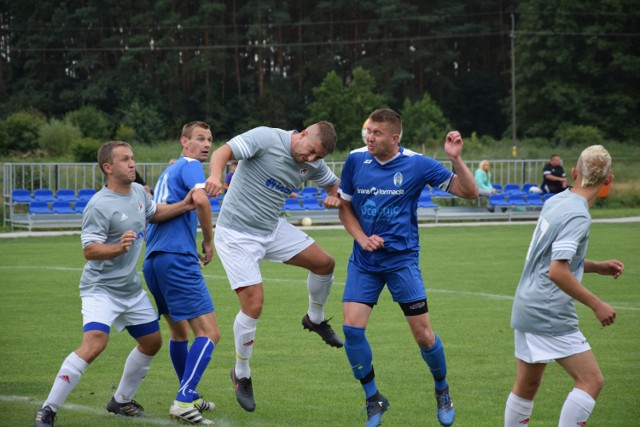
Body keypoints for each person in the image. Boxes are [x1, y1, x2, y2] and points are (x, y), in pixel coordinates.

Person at [34, 141, 196, 427]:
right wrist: (118, 249)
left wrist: (185, 205)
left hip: (130, 289)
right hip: (101, 290)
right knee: (95, 343)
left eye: (132, 158)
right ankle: (48, 409)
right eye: (125, 159)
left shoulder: (137, 193)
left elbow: (153, 214)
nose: (133, 163)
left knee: (152, 342)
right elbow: (89, 250)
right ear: (108, 168)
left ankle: (121, 401)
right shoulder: (99, 205)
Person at [337, 109, 479, 427]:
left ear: (394, 138)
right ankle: (373, 398)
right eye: (368, 131)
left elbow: (469, 192)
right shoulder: (355, 160)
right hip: (365, 262)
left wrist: (455, 159)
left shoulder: (417, 164)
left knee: (424, 336)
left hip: (402, 262)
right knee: (351, 330)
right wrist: (361, 238)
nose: (369, 137)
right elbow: (344, 207)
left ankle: (442, 390)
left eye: (376, 133)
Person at [204, 121, 343, 413]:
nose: (311, 160)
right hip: (237, 234)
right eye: (311, 152)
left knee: (325, 263)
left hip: (271, 229)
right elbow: (222, 152)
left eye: (318, 157)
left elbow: (333, 184)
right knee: (254, 305)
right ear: (303, 134)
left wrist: (334, 195)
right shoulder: (266, 138)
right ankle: (241, 374)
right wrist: (216, 176)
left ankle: (314, 318)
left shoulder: (312, 164)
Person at [504, 145, 624, 427]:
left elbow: (549, 258)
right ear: (609, 180)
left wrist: (595, 266)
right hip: (548, 309)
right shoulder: (579, 215)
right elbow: (557, 272)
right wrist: (598, 304)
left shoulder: (557, 200)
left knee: (527, 386)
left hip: (527, 303)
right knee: (591, 380)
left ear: (573, 173)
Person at [143, 121, 219, 425]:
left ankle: (189, 391)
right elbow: (200, 199)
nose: (206, 144)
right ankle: (184, 398)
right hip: (175, 258)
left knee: (179, 332)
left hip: (154, 260)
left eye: (210, 139)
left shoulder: (168, 172)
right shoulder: (189, 165)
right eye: (199, 139)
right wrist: (208, 240)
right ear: (183, 142)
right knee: (210, 332)